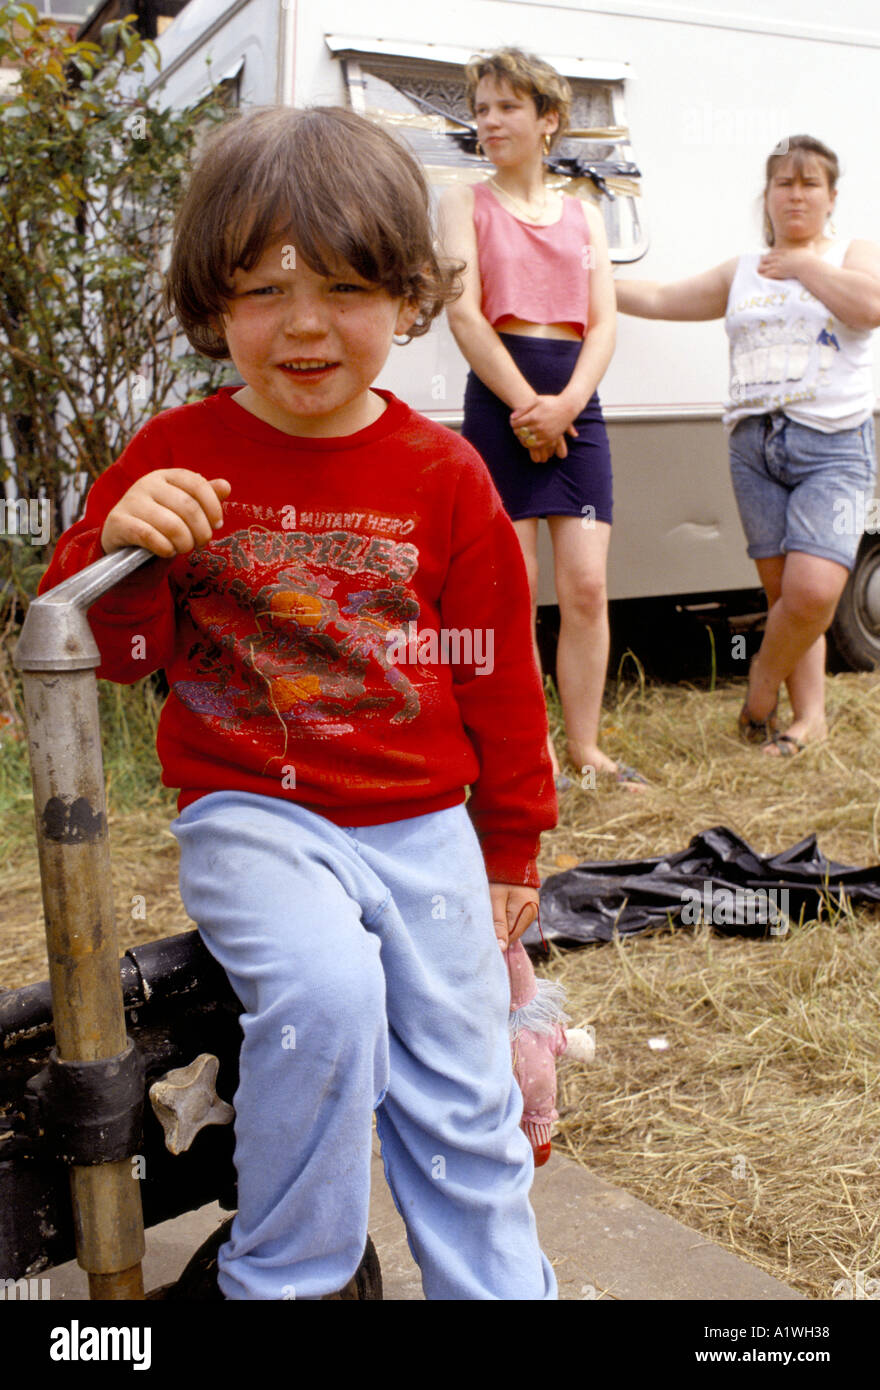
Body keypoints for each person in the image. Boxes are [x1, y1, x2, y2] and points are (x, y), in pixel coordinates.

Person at [40, 106, 559, 1300]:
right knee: (325, 1000)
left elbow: (494, 668)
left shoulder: (443, 473)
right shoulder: (174, 453)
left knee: (461, 1072)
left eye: (343, 285)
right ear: (213, 301)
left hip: (424, 822)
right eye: (265, 290)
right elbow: (108, 649)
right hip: (253, 813)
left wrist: (512, 838)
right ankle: (291, 1278)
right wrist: (121, 540)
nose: (307, 324)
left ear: (407, 296)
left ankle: (494, 1286)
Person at [615, 134, 880, 754]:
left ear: (831, 196)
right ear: (767, 196)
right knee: (785, 597)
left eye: (809, 183)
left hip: (834, 443)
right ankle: (805, 718)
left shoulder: (850, 253)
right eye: (783, 183)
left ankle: (760, 687)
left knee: (815, 593)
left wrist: (805, 264)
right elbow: (659, 298)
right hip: (754, 445)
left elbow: (870, 308)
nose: (795, 194)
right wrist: (587, 277)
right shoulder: (741, 272)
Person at [439, 47, 645, 789]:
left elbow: (605, 323)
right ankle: (535, 753)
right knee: (514, 592)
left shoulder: (586, 214)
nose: (488, 121)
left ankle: (587, 749)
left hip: (575, 398)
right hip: (501, 401)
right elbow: (462, 312)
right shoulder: (464, 201)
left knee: (586, 585)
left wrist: (566, 407)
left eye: (506, 108)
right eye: (482, 108)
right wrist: (528, 405)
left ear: (546, 120)